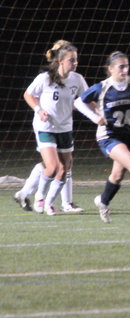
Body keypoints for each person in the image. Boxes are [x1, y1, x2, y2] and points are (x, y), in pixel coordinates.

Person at [75, 51, 130, 223]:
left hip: (128, 135)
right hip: (109, 135)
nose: (125, 70)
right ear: (111, 69)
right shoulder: (102, 87)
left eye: (127, 66)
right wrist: (94, 117)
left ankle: (103, 201)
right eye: (121, 67)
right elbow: (78, 102)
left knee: (117, 175)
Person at [14, 40, 88, 215]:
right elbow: (29, 94)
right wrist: (39, 110)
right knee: (53, 165)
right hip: (46, 126)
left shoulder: (77, 79)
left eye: (76, 59)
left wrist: (97, 111)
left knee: (63, 166)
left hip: (65, 127)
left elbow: (85, 99)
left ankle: (27, 195)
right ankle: (46, 199)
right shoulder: (45, 78)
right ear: (60, 59)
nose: (75, 63)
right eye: (72, 59)